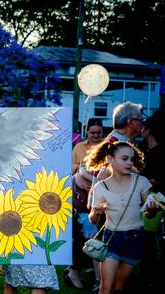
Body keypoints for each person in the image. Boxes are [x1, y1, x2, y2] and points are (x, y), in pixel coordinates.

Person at [87, 141, 156, 294]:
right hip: (112, 239)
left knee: (118, 288)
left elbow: (148, 214)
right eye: (124, 159)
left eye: (132, 159)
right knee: (106, 288)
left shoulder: (141, 182)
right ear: (110, 159)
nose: (129, 163)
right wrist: (96, 212)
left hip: (135, 238)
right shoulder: (100, 187)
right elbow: (93, 220)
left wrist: (152, 211)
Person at [66, 118, 105, 289]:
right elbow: (72, 167)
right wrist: (84, 168)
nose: (95, 136)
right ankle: (74, 270)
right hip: (82, 201)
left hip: (101, 198)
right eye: (92, 132)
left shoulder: (107, 146)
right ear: (86, 132)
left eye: (98, 133)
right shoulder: (79, 147)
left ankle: (89, 271)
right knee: (83, 237)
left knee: (97, 237)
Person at [138, 110, 164, 291]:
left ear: (148, 130)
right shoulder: (146, 150)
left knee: (149, 242)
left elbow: (158, 178)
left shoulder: (158, 152)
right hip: (148, 199)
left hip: (155, 201)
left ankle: (151, 279)